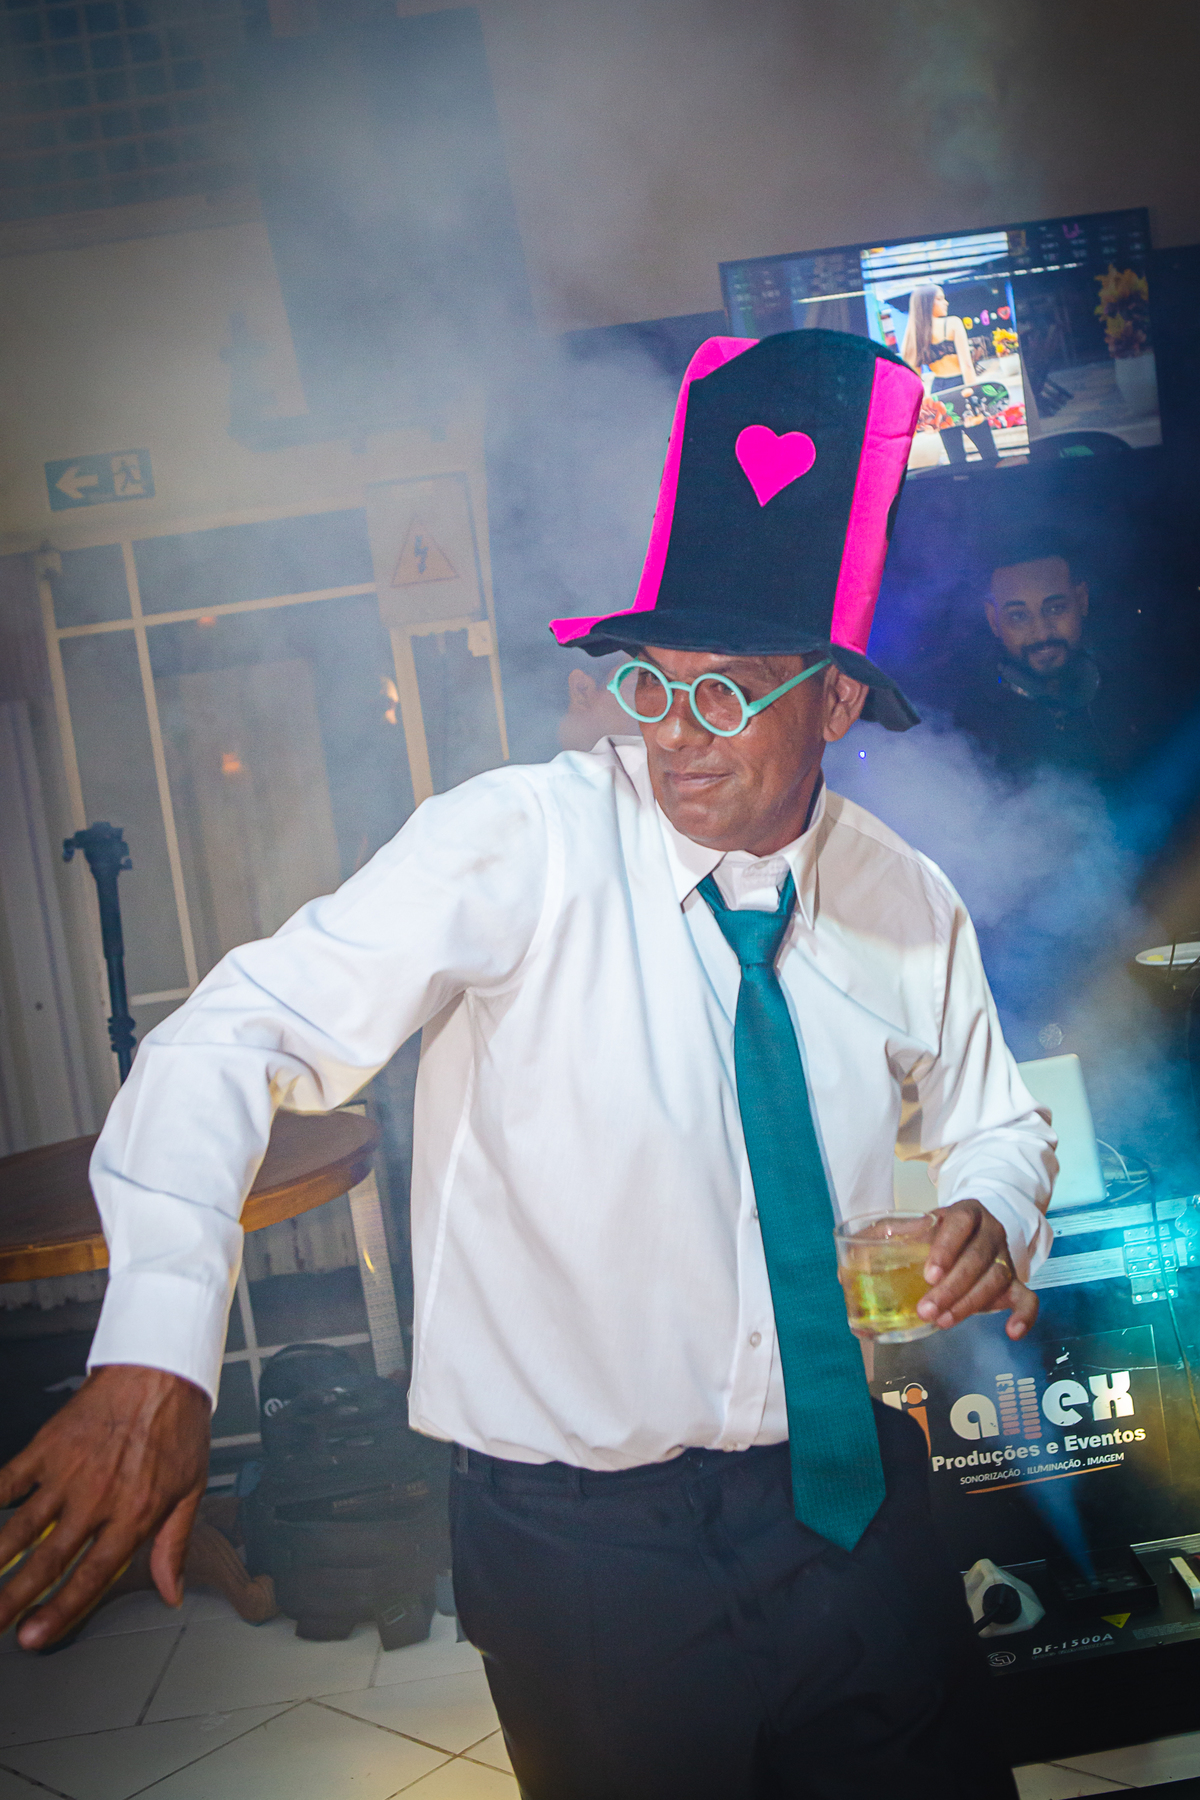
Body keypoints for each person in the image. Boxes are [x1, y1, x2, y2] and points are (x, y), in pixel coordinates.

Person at [0, 330, 1054, 1800]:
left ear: (832, 700)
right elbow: (232, 1035)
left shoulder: (904, 899)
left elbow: (1003, 1124)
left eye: (729, 694)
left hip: (845, 1497)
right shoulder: (520, 843)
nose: (675, 740)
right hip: (585, 1553)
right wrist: (154, 1349)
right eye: (651, 687)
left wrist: (994, 1206)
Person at [954, 541, 1136, 780]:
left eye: (1055, 609)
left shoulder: (1134, 692)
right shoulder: (966, 726)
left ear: (1081, 600)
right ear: (993, 619)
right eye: (1018, 616)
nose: (1041, 633)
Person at [901, 282, 1000, 466]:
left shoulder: (914, 332)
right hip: (962, 386)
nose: (946, 302)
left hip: (938, 392)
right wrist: (975, 399)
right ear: (927, 303)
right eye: (940, 299)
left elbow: (915, 380)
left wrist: (923, 413)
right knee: (988, 451)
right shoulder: (953, 323)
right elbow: (967, 366)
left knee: (955, 457)